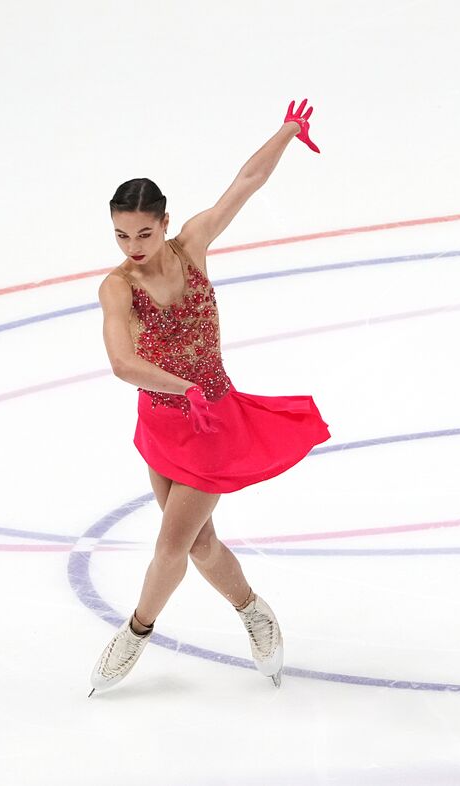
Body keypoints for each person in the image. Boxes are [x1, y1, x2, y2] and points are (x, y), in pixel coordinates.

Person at [88, 100, 329, 696]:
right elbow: (122, 363)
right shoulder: (117, 287)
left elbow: (243, 185)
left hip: (214, 421)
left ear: (166, 223)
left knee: (172, 543)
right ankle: (252, 609)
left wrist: (288, 132)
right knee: (198, 543)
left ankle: (137, 631)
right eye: (121, 234)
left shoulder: (193, 245)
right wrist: (180, 387)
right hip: (164, 419)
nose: (133, 245)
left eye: (144, 232)